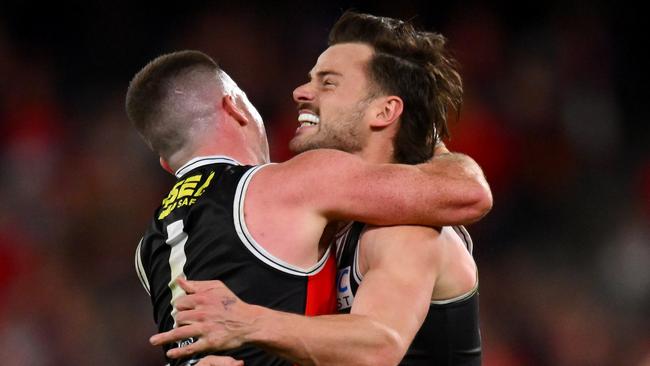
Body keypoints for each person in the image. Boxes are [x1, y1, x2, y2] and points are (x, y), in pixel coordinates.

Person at [149, 11, 485, 366]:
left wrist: (248, 322)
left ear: (384, 112)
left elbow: (379, 346)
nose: (300, 92)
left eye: (328, 82)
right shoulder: (327, 229)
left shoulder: (406, 230)